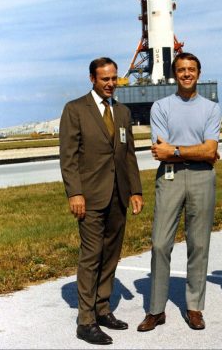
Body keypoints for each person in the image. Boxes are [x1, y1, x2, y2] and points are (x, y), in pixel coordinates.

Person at [59, 57, 144, 345]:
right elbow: (68, 157)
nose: (110, 84)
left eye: (114, 78)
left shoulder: (122, 111)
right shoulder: (75, 109)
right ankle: (86, 321)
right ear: (92, 79)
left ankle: (102, 308)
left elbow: (128, 154)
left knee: (111, 254)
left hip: (118, 195)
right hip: (90, 197)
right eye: (105, 79)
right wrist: (75, 193)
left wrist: (135, 191)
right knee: (91, 255)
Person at [137, 52, 221, 332]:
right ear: (175, 74)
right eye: (182, 69)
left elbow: (210, 150)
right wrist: (196, 151)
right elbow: (160, 152)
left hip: (202, 178)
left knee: (199, 244)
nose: (187, 74)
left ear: (198, 73)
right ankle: (156, 309)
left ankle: (194, 307)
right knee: (160, 243)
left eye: (191, 69)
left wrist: (175, 150)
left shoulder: (210, 108)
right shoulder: (161, 106)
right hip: (170, 178)